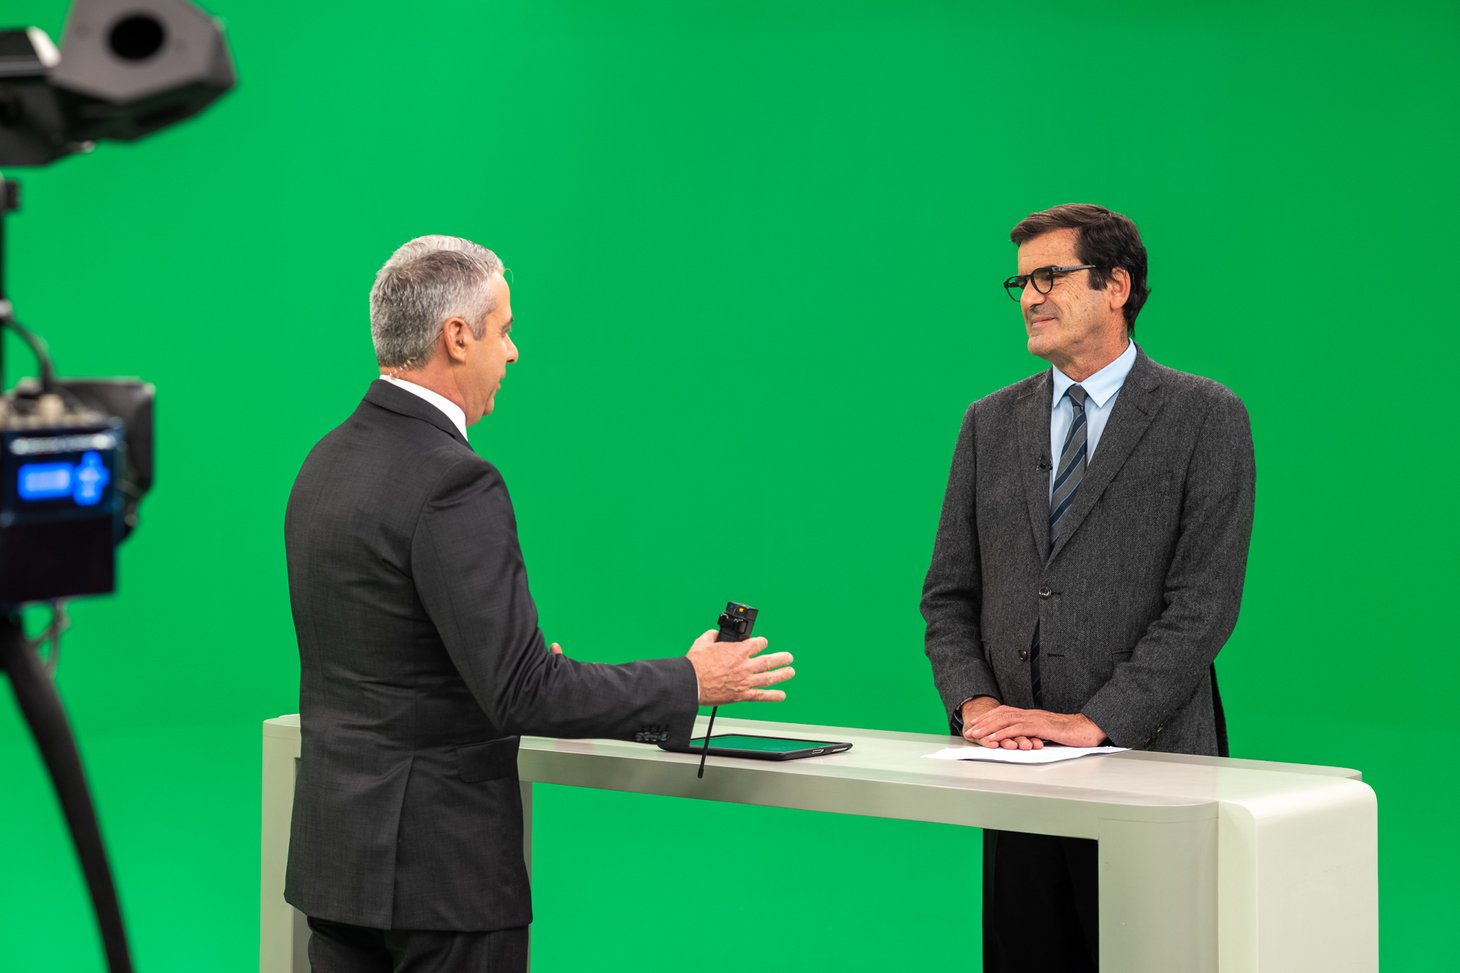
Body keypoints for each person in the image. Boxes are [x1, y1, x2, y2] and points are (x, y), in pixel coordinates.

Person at [283, 235, 794, 973]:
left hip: (338, 871)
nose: (514, 352)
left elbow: (388, 657)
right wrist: (692, 680)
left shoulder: (324, 463)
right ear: (457, 336)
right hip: (441, 884)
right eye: (505, 328)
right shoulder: (455, 480)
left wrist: (499, 663)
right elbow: (523, 691)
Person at [920, 204, 1255, 971]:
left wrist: (1095, 721)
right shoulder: (987, 422)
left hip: (1154, 769)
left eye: (1050, 276)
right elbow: (948, 596)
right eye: (1022, 283)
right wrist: (976, 705)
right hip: (1018, 775)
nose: (1031, 297)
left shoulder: (1205, 416)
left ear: (1116, 287)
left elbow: (1203, 605)